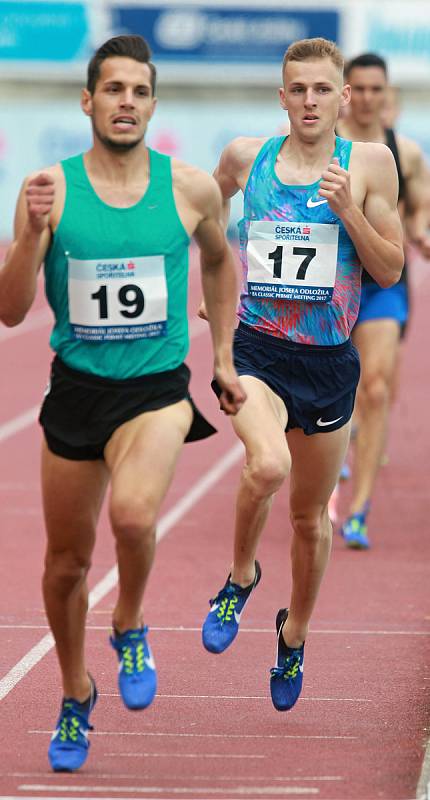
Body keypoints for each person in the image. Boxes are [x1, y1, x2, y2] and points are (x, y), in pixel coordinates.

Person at [0, 35, 245, 772]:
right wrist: (29, 239)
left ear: (154, 102)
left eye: (139, 91)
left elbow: (219, 259)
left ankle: (130, 619)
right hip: (76, 391)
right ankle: (76, 692)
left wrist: (225, 356)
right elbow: (11, 312)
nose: (127, 103)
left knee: (134, 514)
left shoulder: (190, 188)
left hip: (156, 390)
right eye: (113, 90)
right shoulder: (48, 187)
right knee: (65, 565)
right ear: (88, 100)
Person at [199, 37, 403, 712]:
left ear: (344, 98)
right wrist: (212, 286)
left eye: (323, 89)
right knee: (265, 465)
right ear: (281, 96)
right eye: (299, 89)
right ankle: (239, 576)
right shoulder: (244, 157)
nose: (310, 101)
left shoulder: (368, 164)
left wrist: (348, 211)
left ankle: (295, 632)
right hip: (258, 349)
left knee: (310, 520)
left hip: (328, 361)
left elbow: (390, 269)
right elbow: (202, 213)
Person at [336, 53, 430, 549]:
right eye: (360, 89)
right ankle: (329, 465)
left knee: (375, 388)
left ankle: (359, 509)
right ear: (346, 92)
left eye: (378, 89)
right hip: (325, 287)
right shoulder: (324, 146)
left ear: (386, 92)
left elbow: (418, 211)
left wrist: (421, 234)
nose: (369, 98)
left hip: (381, 287)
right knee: (329, 390)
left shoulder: (407, 153)